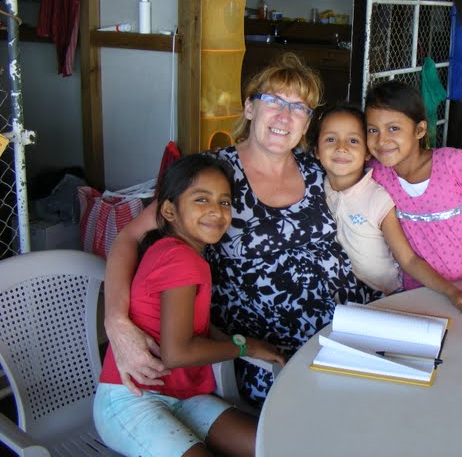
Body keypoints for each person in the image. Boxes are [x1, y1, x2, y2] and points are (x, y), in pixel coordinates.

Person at [104, 53, 377, 408]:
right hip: (272, 346)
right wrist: (116, 322)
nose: (284, 116)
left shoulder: (318, 168)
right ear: (250, 108)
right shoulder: (214, 173)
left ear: (307, 123)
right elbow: (129, 237)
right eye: (274, 101)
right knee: (336, 413)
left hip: (350, 321)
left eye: (298, 108)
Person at [94, 153, 285, 457]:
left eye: (224, 202)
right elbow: (178, 353)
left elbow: (194, 328)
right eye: (201, 199)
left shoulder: (180, 253)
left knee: (273, 447)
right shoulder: (179, 258)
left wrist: (244, 344)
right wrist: (245, 346)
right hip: (132, 400)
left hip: (182, 395)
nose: (216, 211)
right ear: (169, 210)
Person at [310, 103, 462, 316]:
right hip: (343, 290)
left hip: (388, 295)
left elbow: (408, 260)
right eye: (330, 139)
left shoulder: (377, 198)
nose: (341, 148)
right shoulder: (315, 186)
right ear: (316, 150)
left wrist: (452, 292)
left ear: (367, 153)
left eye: (353, 141)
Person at [364, 80, 462, 303]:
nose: (381, 140)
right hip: (415, 293)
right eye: (372, 130)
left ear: (419, 130)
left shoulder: (453, 163)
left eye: (394, 128)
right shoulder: (377, 174)